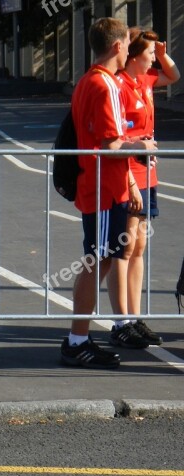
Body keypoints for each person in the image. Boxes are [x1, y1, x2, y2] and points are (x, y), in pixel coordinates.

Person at [59, 17, 158, 369]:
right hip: (101, 188)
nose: (130, 48)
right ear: (117, 46)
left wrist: (130, 182)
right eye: (127, 44)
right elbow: (109, 144)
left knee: (99, 259)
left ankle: (79, 338)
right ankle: (77, 340)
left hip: (105, 186)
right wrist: (140, 144)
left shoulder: (90, 80)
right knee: (96, 261)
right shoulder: (105, 86)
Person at [114, 28, 179, 347]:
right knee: (124, 248)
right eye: (151, 53)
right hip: (130, 175)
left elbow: (174, 75)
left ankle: (136, 317)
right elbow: (114, 138)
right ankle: (122, 319)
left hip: (149, 174)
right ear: (136, 56)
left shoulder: (147, 80)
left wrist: (163, 51)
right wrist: (131, 176)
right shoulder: (121, 85)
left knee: (139, 247)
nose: (155, 58)